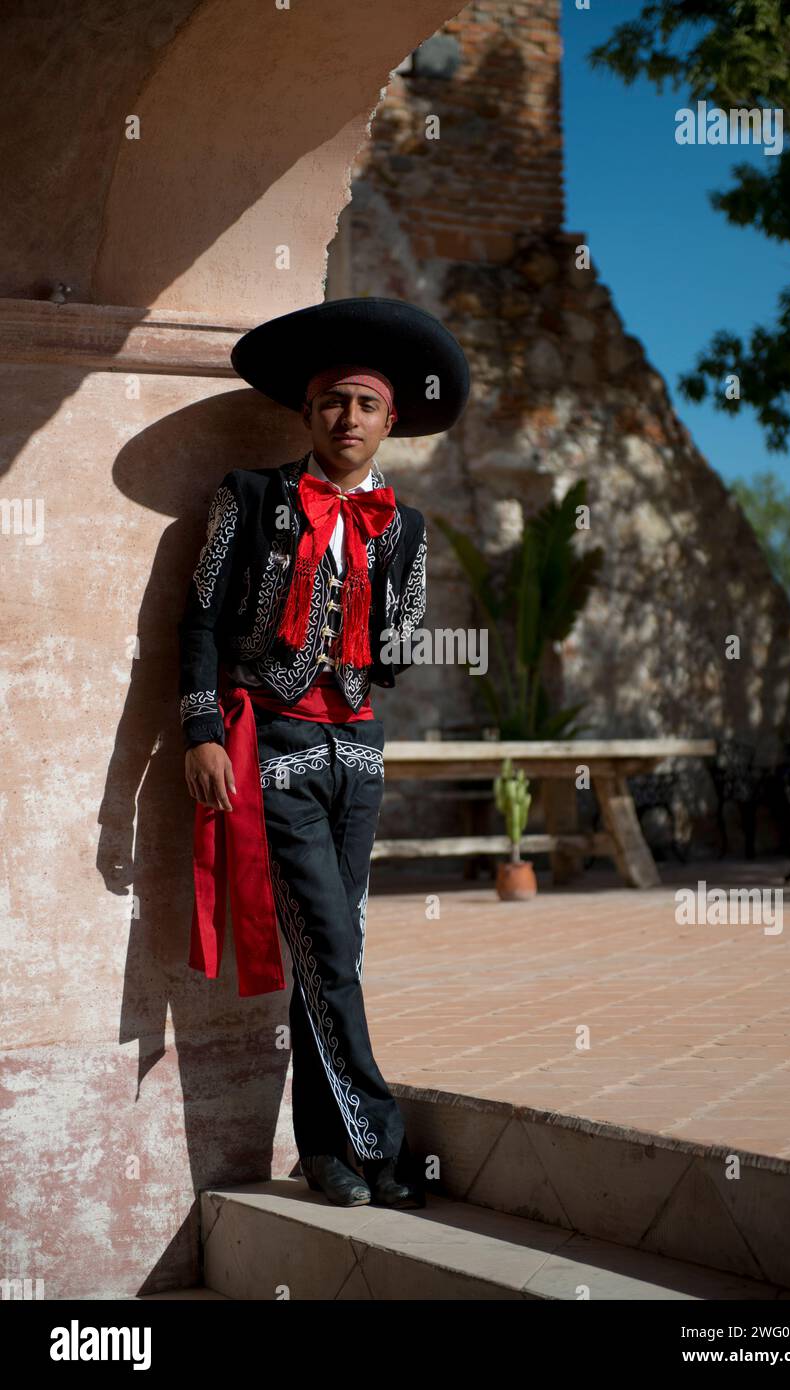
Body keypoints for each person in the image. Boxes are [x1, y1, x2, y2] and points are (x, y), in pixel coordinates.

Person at [178, 297, 470, 1208]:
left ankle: (325, 1154)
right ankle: (381, 1146)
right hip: (273, 746)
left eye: (367, 405)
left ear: (391, 422)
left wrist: (392, 587)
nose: (348, 419)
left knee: (326, 958)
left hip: (360, 756)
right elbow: (197, 618)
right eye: (333, 402)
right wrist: (196, 729)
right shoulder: (250, 496)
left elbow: (393, 660)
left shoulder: (404, 525)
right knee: (332, 948)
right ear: (308, 415)